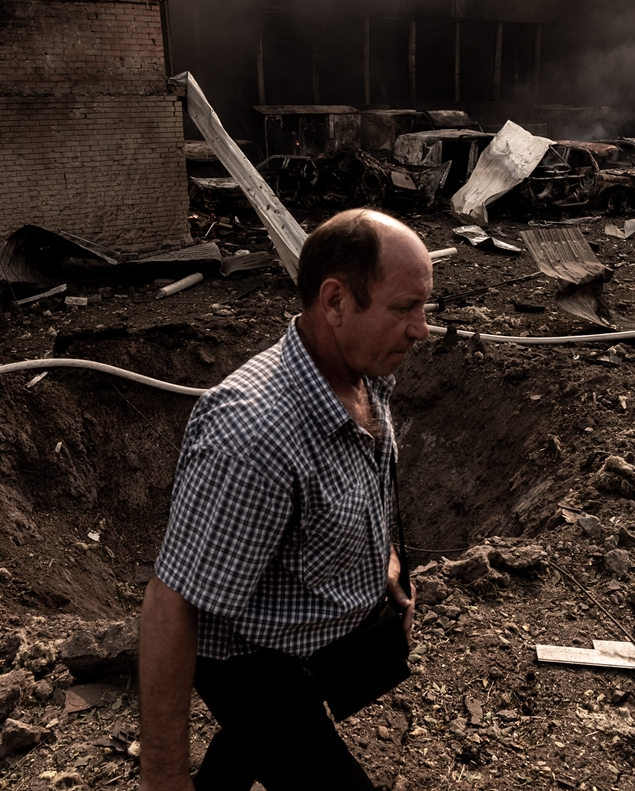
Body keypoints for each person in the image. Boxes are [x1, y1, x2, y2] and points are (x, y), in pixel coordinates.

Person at [138, 209, 433, 790]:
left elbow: (349, 492)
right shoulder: (253, 434)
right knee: (276, 734)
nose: (421, 329)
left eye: (426, 307)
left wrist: (384, 564)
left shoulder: (362, 371)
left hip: (313, 647)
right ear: (335, 301)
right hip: (252, 666)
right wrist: (162, 777)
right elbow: (170, 603)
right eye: (404, 308)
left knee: (244, 755)